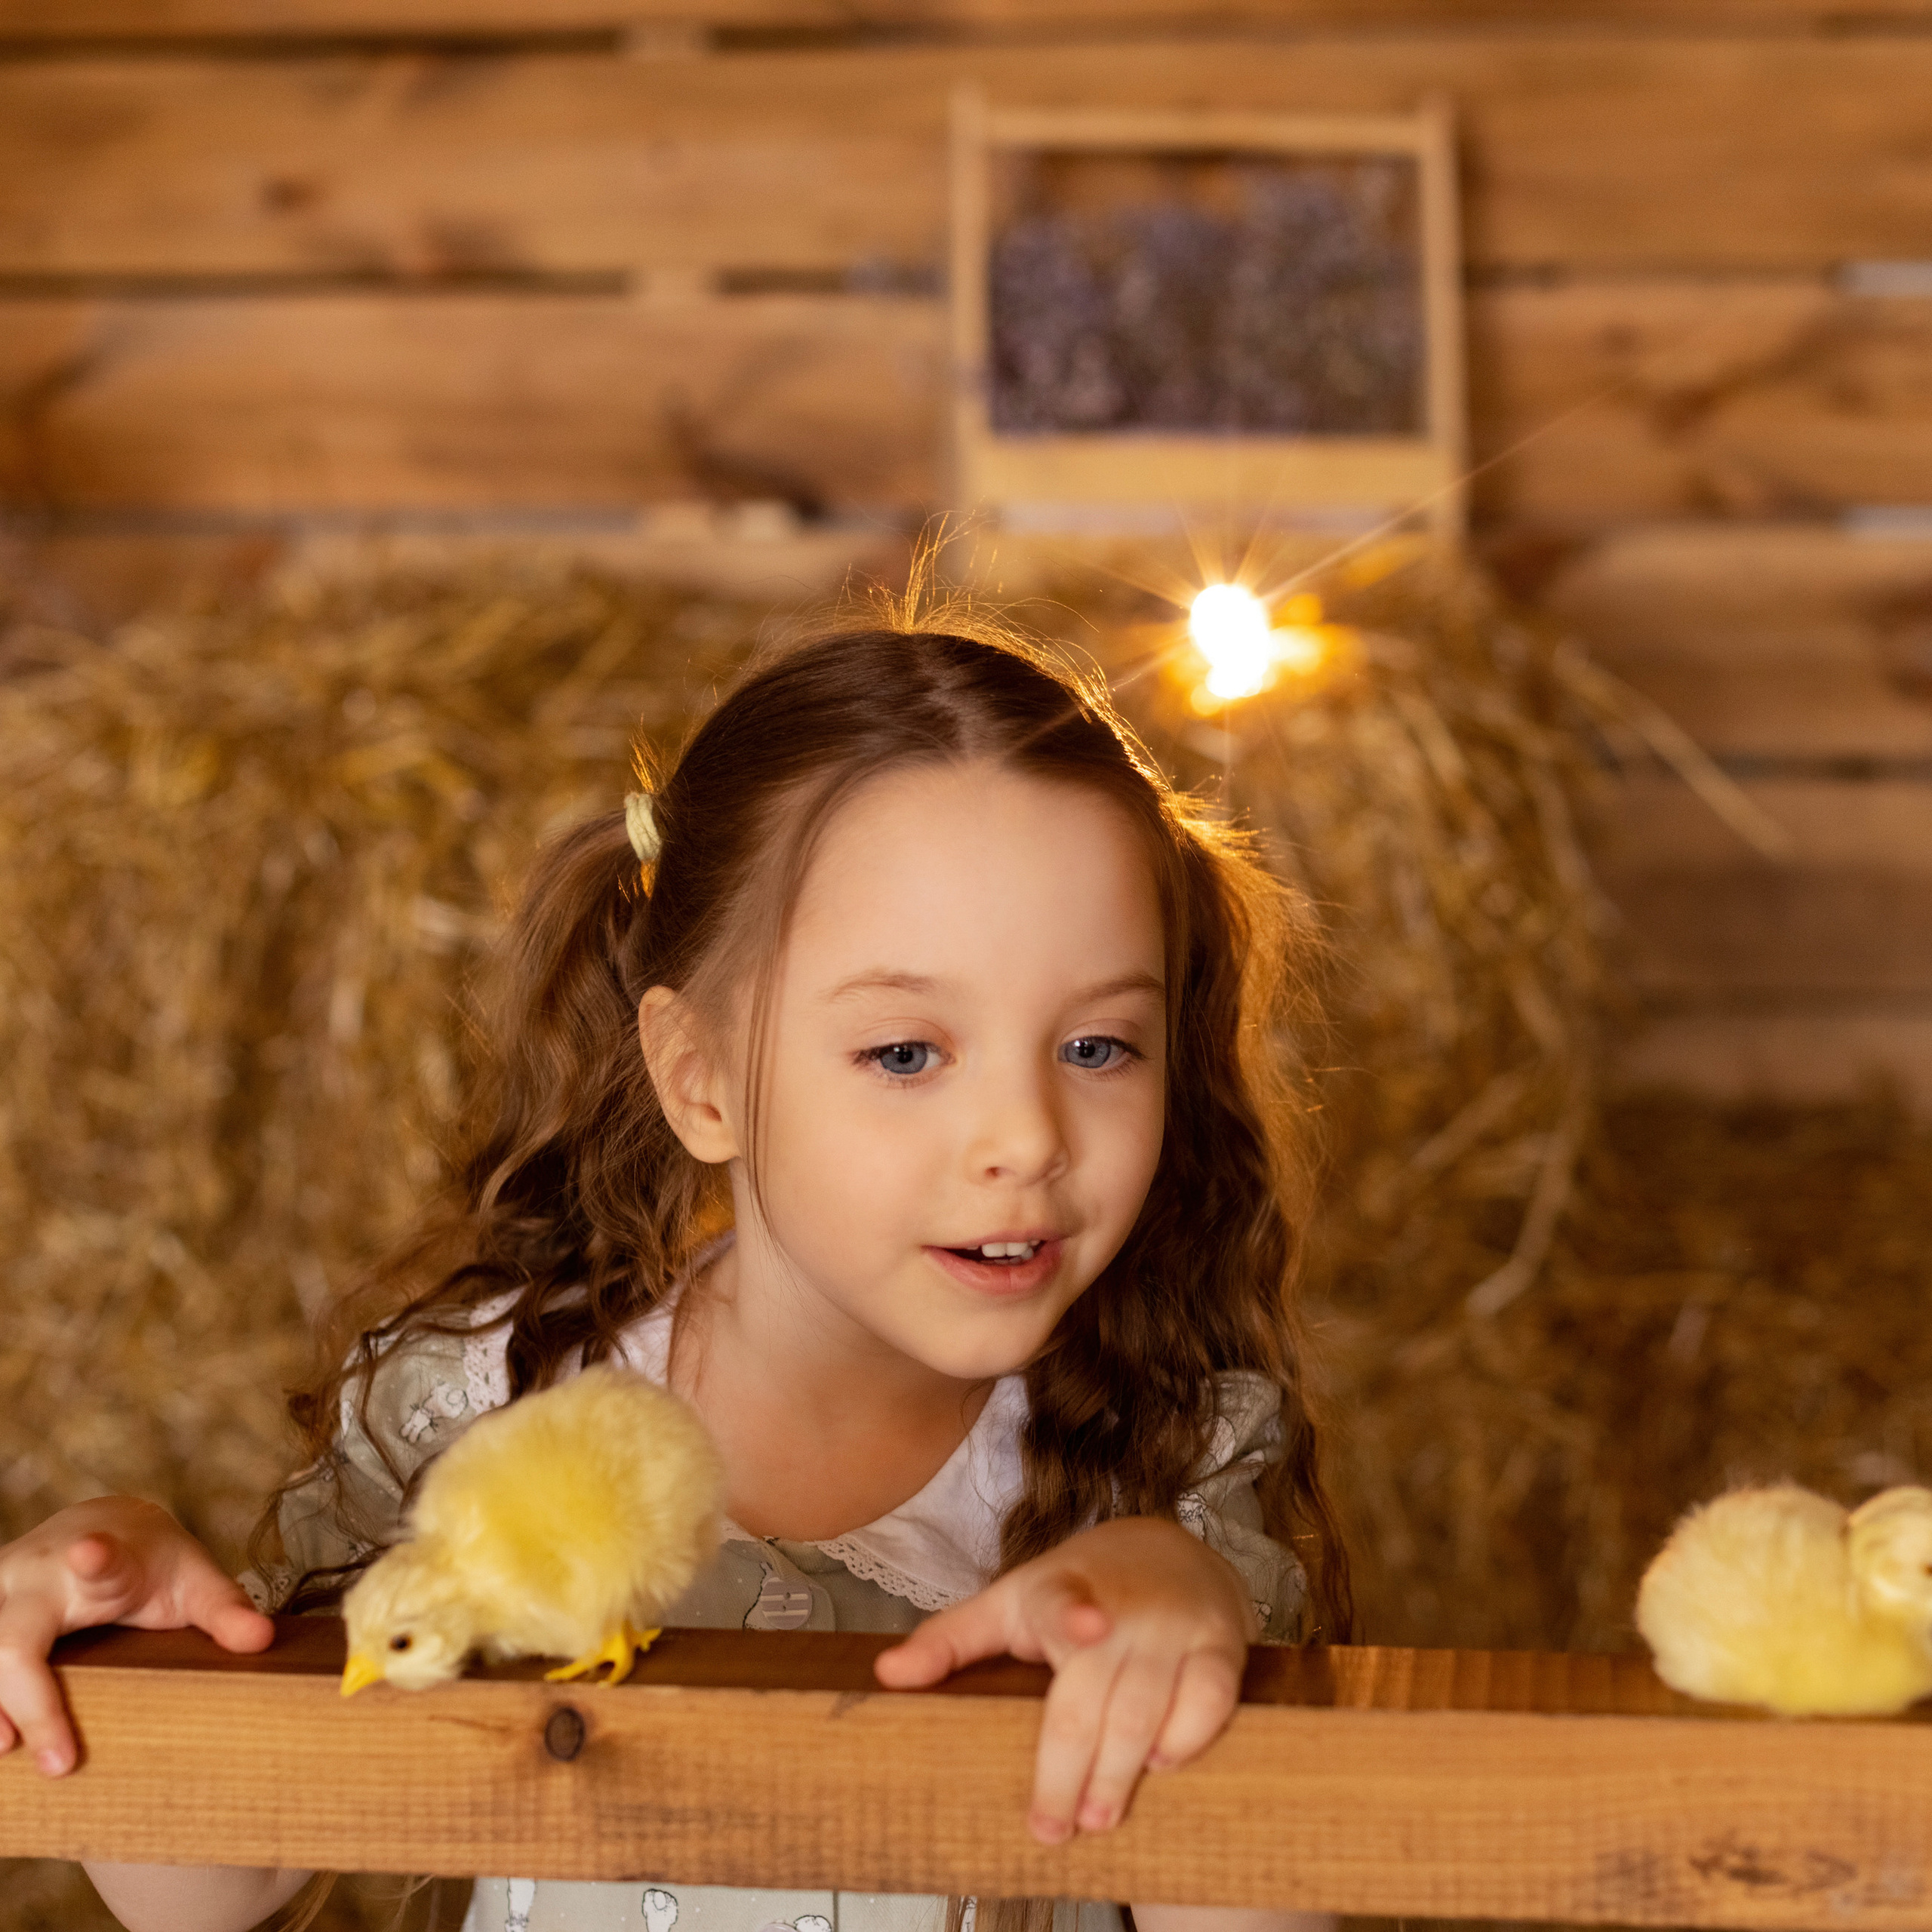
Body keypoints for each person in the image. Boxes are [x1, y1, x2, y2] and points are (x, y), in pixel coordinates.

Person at [0, 619, 1349, 1932]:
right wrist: (119, 1656)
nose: (1027, 1139)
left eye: (1098, 1047)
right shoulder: (492, 1404)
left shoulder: (1167, 1465)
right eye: (905, 1053)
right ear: (700, 1079)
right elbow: (216, 1892)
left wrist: (1188, 1625)